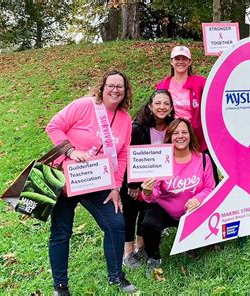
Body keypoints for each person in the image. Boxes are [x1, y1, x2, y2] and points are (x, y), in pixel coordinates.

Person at [45, 70, 137, 295]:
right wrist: (71, 150)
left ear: (125, 92)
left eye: (120, 87)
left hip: (98, 182)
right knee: (61, 231)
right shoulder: (84, 105)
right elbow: (53, 126)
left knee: (115, 224)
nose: (115, 90)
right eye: (111, 85)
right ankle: (60, 286)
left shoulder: (125, 119)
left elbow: (123, 154)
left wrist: (116, 187)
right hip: (69, 179)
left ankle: (116, 276)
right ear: (102, 87)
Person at [140, 118, 215, 275]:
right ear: (169, 137)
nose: (180, 136)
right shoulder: (162, 162)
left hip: (192, 211)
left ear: (190, 135)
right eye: (175, 133)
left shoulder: (203, 159)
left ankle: (192, 244)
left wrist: (198, 199)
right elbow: (153, 196)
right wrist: (147, 191)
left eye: (184, 132)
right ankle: (153, 257)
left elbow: (210, 188)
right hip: (166, 210)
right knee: (148, 223)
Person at [120, 89, 175, 268]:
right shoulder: (137, 127)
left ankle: (141, 246)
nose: (162, 107)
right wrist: (133, 184)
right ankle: (128, 252)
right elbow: (127, 157)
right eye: (158, 103)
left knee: (146, 210)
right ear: (150, 106)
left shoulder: (172, 126)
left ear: (171, 107)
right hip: (133, 180)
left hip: (155, 180)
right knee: (130, 213)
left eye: (166, 103)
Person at [156, 45, 219, 182]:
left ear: (189, 62)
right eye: (177, 58)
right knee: (180, 176)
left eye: (184, 59)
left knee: (209, 175)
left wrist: (223, 63)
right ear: (171, 61)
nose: (180, 62)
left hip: (199, 137)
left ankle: (212, 199)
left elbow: (217, 90)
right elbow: (156, 109)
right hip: (174, 136)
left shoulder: (200, 82)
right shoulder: (163, 85)